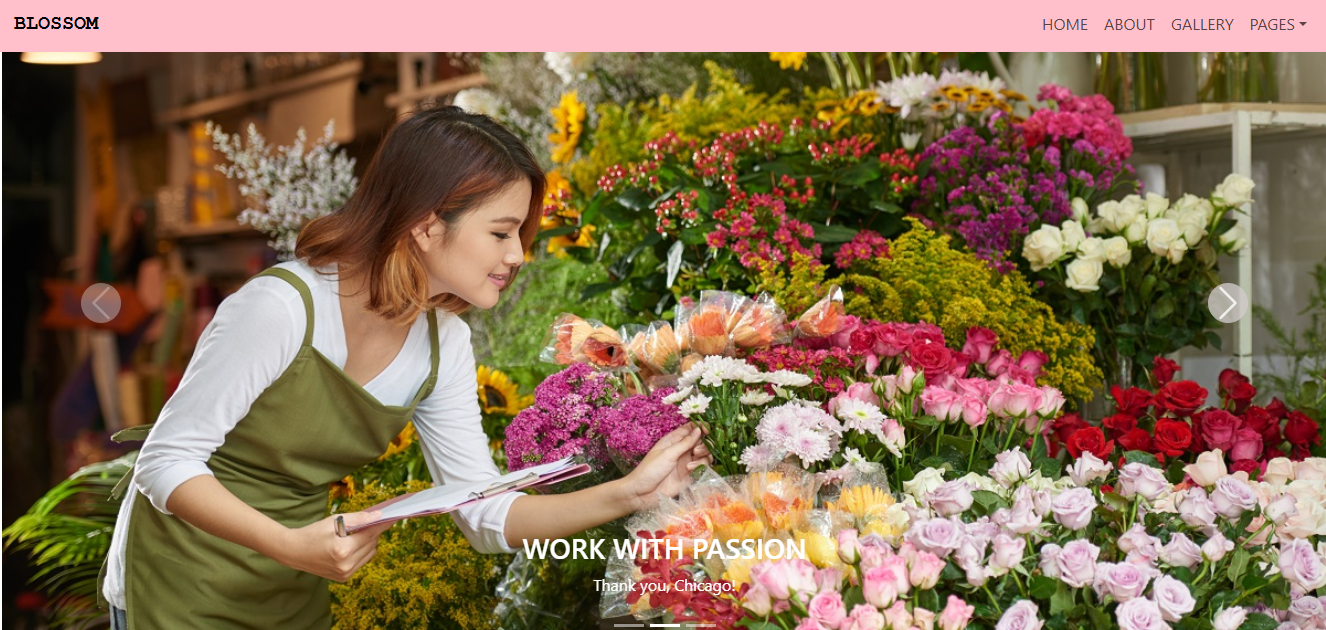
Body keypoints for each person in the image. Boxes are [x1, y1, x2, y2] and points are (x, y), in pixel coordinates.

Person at [101, 106, 710, 629]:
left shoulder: (442, 344)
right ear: (425, 223)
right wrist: (288, 544)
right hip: (180, 580)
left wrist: (629, 491)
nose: (518, 254)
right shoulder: (282, 307)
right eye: (501, 232)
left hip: (290, 585)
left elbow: (485, 515)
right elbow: (166, 461)